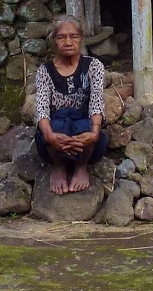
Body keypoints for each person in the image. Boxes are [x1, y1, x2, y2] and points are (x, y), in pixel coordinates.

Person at [33, 14, 108, 195]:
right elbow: (42, 108)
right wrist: (50, 135)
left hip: (85, 132)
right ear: (54, 41)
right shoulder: (45, 71)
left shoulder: (93, 66)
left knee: (85, 128)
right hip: (56, 136)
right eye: (61, 37)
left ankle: (81, 166)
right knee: (55, 127)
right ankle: (59, 166)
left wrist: (94, 133)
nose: (68, 42)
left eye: (73, 36)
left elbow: (97, 102)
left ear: (81, 38)